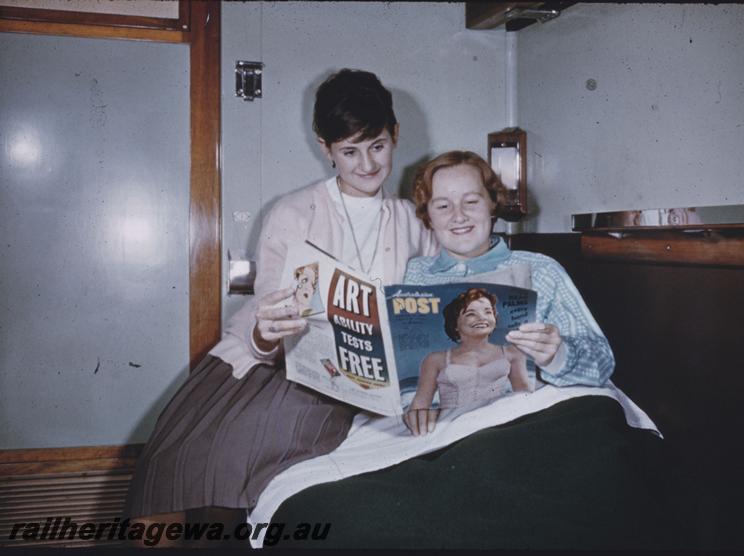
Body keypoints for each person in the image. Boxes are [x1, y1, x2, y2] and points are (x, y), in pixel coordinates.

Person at [124, 69, 437, 539]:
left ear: (394, 134)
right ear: (325, 148)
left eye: (377, 146)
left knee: (243, 462)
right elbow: (265, 318)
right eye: (349, 151)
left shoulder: (415, 222)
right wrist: (267, 330)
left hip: (358, 382)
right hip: (270, 366)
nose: (367, 164)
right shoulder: (292, 212)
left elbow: (427, 309)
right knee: (183, 460)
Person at [403, 150, 614, 435]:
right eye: (443, 206)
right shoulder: (413, 276)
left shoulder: (541, 270)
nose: (459, 216)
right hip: (444, 430)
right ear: (427, 215)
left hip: (523, 423)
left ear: (492, 204)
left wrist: (557, 355)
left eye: (471, 201)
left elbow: (602, 364)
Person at [405, 287, 530, 426]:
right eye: (471, 314)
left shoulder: (513, 353)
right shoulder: (435, 360)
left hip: (497, 422)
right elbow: (420, 403)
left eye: (488, 312)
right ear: (455, 324)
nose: (482, 317)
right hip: (452, 427)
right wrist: (415, 420)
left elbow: (524, 396)